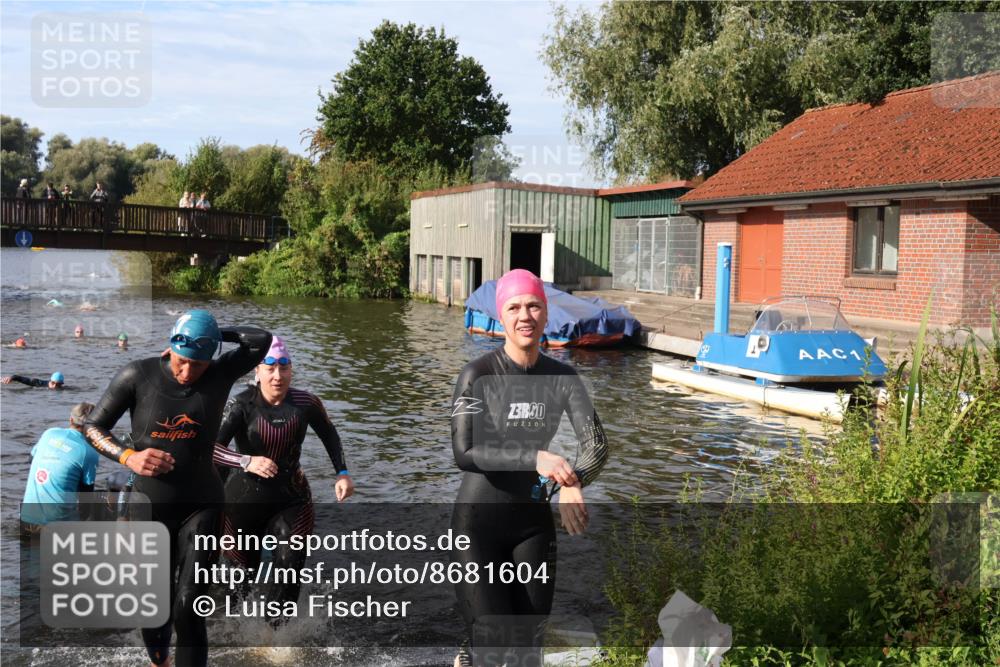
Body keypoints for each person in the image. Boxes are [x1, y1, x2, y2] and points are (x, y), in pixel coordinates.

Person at [83, 310, 271, 667]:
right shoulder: (137, 375)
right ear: (170, 348)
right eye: (183, 362)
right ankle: (160, 661)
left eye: (198, 364)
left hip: (203, 503)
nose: (188, 372)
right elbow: (93, 427)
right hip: (150, 506)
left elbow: (260, 339)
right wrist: (128, 458)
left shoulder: (219, 373)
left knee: (188, 606)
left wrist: (214, 333)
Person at [450, 269, 609, 667]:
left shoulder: (563, 378)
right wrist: (536, 459)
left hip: (532, 526)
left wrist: (573, 482)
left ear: (546, 312)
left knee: (527, 653)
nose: (525, 315)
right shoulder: (478, 374)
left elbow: (598, 446)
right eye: (514, 307)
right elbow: (465, 452)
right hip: (477, 528)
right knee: (494, 646)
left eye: (534, 305)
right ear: (500, 317)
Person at [213, 336, 354, 618]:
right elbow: (211, 448)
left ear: (291, 370)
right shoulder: (240, 405)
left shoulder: (306, 403)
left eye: (284, 367)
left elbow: (329, 433)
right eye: (270, 368)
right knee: (240, 579)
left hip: (292, 498)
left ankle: (276, 638)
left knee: (290, 567)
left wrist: (342, 473)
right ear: (258, 371)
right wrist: (246, 460)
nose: (278, 376)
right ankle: (226, 632)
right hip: (242, 502)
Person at [20, 403, 100, 533]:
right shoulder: (89, 451)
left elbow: (31, 459)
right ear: (93, 426)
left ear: (71, 419)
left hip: (26, 518)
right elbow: (86, 497)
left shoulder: (49, 433)